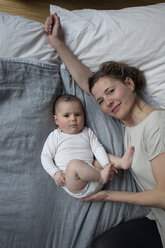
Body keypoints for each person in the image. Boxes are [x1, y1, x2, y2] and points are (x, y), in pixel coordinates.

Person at [44, 14, 165, 247]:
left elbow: (163, 196)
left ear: (129, 84)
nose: (107, 102)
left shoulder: (156, 124)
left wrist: (109, 195)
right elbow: (89, 83)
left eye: (111, 92)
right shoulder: (130, 124)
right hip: (157, 221)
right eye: (100, 100)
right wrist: (58, 43)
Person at [41, 94, 134, 199]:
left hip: (93, 174)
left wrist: (106, 165)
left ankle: (121, 163)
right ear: (56, 120)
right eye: (67, 115)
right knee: (74, 164)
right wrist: (55, 173)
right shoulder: (56, 136)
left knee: (101, 156)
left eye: (77, 114)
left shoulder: (87, 132)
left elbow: (97, 148)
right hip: (75, 184)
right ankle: (101, 177)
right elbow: (45, 157)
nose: (73, 119)